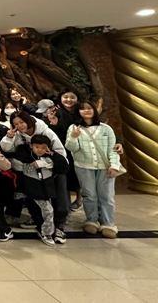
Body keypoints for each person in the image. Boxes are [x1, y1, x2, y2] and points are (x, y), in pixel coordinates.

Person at [1, 111, 69, 242]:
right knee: (34, 200)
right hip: (31, 174)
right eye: (16, 124)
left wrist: (45, 163)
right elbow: (8, 149)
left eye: (22, 122)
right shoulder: (18, 135)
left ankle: (59, 227)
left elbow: (61, 154)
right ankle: (41, 226)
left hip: (52, 171)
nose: (19, 126)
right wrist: (9, 137)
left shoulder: (46, 132)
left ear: (28, 120)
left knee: (59, 199)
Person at [65, 101, 121, 238]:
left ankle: (108, 223)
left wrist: (114, 165)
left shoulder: (106, 128)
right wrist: (73, 137)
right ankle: (91, 220)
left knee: (106, 195)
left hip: (105, 167)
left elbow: (113, 149)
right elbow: (71, 148)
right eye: (82, 109)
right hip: (83, 167)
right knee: (89, 195)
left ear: (94, 110)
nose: (86, 111)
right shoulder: (74, 128)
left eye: (89, 108)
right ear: (78, 112)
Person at [17, 134, 69, 246]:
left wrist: (52, 155)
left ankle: (49, 230)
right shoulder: (26, 156)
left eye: (43, 147)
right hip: (33, 189)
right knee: (48, 211)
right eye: (37, 147)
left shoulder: (51, 157)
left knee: (48, 211)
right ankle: (47, 233)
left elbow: (64, 165)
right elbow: (19, 155)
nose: (40, 150)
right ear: (31, 146)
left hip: (47, 189)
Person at [46, 90, 83, 210]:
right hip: (62, 148)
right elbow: (51, 132)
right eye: (65, 97)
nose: (68, 100)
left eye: (72, 97)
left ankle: (79, 198)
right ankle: (66, 203)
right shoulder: (56, 112)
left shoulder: (81, 111)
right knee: (65, 175)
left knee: (78, 174)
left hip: (79, 147)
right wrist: (54, 124)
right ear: (60, 98)